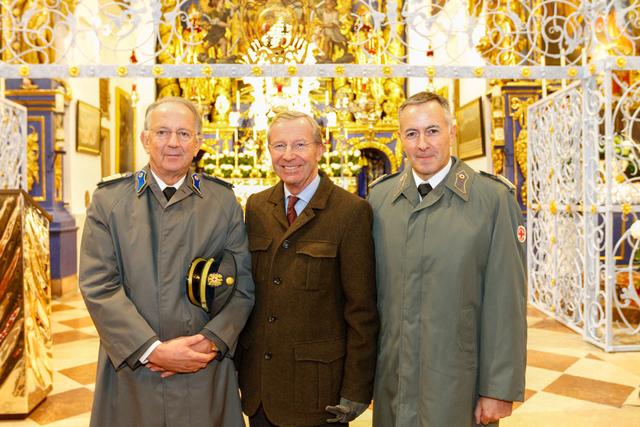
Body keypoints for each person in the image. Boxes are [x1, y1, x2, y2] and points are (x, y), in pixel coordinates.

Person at [79, 96, 254, 427]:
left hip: (204, 367)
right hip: (134, 369)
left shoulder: (223, 202)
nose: (173, 143)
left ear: (199, 143)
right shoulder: (109, 201)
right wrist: (150, 350)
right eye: (162, 132)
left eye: (184, 134)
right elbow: (98, 285)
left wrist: (212, 340)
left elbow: (241, 283)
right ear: (146, 139)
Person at [368, 91, 527, 427]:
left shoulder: (492, 199)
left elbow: (506, 301)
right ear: (400, 140)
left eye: (433, 131)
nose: (422, 144)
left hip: (459, 383)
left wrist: (498, 388)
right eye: (412, 134)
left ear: (452, 132)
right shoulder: (380, 199)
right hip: (393, 378)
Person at [238, 110, 378, 426]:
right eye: (279, 146)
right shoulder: (257, 206)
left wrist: (356, 389)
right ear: (268, 150)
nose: (289, 156)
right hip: (260, 387)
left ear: (320, 148)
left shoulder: (351, 212)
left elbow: (362, 311)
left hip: (318, 392)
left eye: (300, 145)